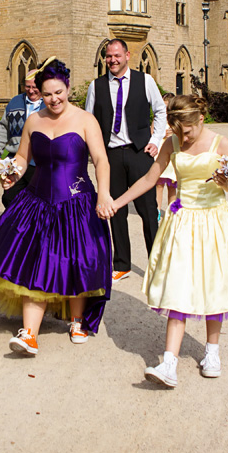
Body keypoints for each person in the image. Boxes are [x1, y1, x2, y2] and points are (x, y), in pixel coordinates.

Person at [0, 59, 114, 356]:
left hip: (76, 201)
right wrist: (12, 174)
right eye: (48, 93)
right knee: (34, 261)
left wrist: (103, 194)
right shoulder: (33, 120)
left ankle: (77, 321)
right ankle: (29, 334)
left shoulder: (85, 120)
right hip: (38, 199)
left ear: (67, 89)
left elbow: (101, 160)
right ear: (40, 93)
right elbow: (23, 158)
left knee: (77, 260)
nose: (54, 99)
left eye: (59, 92)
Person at [104, 94, 228, 385]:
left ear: (201, 119)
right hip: (183, 221)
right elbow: (150, 178)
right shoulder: (172, 143)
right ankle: (168, 363)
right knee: (178, 286)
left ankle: (212, 352)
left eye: (187, 131)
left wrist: (226, 181)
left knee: (214, 287)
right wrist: (118, 201)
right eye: (178, 131)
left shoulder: (221, 143)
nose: (184, 137)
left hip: (214, 220)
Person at [83, 39, 167, 281]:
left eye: (117, 55)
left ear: (127, 55)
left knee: (148, 210)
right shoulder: (96, 86)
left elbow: (160, 110)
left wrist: (157, 140)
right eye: (108, 56)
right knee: (114, 209)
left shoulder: (145, 81)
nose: (113, 60)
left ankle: (157, 263)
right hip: (110, 156)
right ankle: (122, 264)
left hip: (140, 151)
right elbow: (89, 121)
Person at [0, 69, 45, 208]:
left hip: (40, 163)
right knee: (9, 198)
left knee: (40, 201)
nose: (31, 91)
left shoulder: (50, 105)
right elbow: (3, 129)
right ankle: (19, 227)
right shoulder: (15, 102)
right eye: (28, 86)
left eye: (35, 87)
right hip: (15, 160)